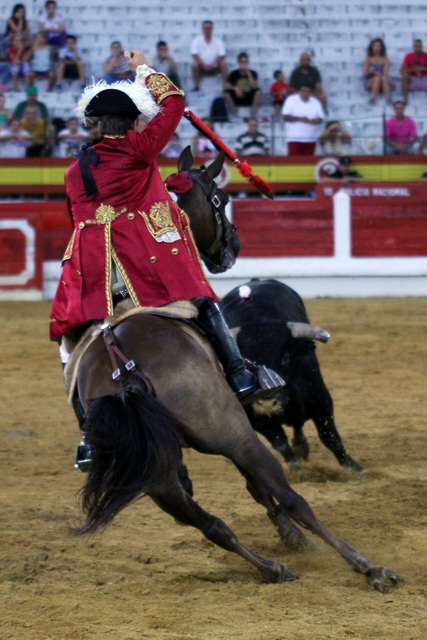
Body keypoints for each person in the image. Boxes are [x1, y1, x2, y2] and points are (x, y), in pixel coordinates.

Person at [50, 48, 282, 445]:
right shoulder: (138, 148)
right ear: (133, 122)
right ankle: (241, 374)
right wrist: (142, 68)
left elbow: (77, 220)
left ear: (93, 123)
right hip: (133, 258)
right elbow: (174, 102)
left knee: (69, 340)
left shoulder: (74, 171)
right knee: (200, 298)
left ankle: (88, 434)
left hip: (89, 269)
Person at [282, 84, 325, 155]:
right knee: (294, 162)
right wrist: (301, 119)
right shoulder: (291, 100)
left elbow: (321, 118)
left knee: (309, 163)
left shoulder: (316, 102)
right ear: (299, 91)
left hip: (311, 139)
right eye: (303, 91)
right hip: (294, 138)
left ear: (311, 92)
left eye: (308, 91)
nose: (305, 93)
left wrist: (316, 120)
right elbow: (285, 116)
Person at [191, 20, 228, 91]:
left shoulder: (218, 41)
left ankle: (226, 87)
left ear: (212, 29)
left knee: (224, 64)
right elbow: (194, 55)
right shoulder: (196, 40)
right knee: (194, 65)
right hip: (201, 68)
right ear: (202, 29)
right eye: (205, 28)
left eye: (209, 28)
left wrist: (214, 65)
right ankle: (197, 86)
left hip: (215, 67)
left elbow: (222, 55)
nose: (207, 30)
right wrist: (203, 65)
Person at [223, 52, 261, 119]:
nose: (244, 64)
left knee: (258, 92)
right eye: (242, 62)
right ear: (238, 63)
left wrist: (248, 72)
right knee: (226, 93)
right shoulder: (234, 74)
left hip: (248, 96)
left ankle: (253, 116)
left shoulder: (253, 73)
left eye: (245, 62)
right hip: (237, 96)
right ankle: (235, 116)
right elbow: (225, 86)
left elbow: (254, 86)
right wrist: (235, 88)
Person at [363, 38, 392, 106]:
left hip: (382, 81)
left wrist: (379, 74)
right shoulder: (368, 58)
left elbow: (385, 73)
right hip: (370, 81)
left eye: (379, 46)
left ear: (382, 48)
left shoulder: (385, 59)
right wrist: (374, 73)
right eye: (375, 46)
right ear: (372, 47)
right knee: (377, 78)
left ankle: (388, 98)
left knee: (383, 78)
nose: (377, 48)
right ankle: (373, 98)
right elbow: (365, 73)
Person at [400, 39, 427, 104]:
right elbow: (402, 70)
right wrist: (414, 69)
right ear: (413, 47)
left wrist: (423, 69)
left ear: (422, 47)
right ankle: (405, 99)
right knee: (405, 76)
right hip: (413, 79)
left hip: (424, 78)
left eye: (419, 46)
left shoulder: (426, 55)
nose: (418, 48)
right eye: (416, 46)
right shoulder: (408, 56)